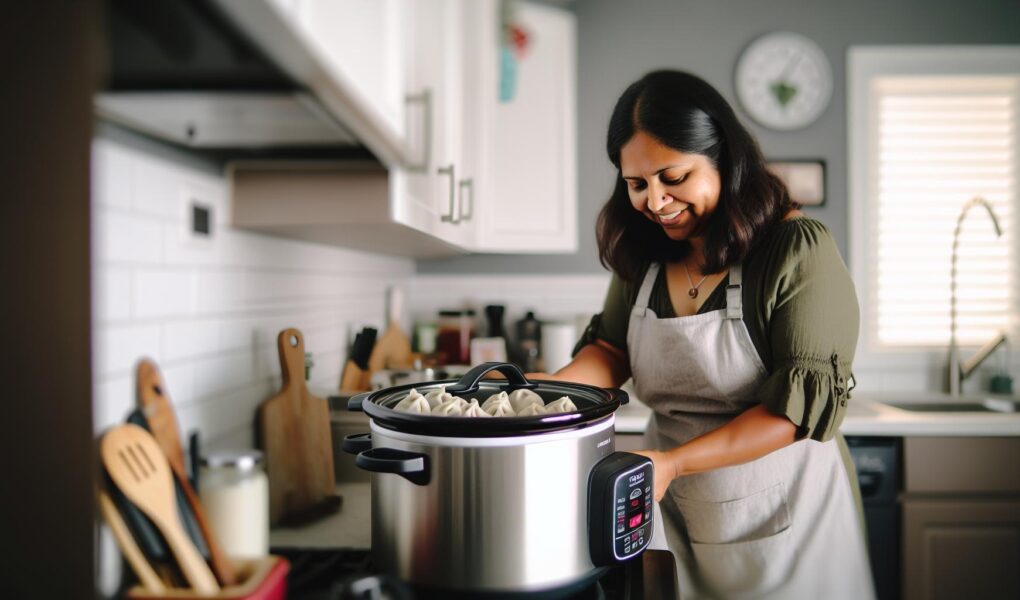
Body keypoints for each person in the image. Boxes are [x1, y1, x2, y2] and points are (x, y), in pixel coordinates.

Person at [544, 71, 875, 598]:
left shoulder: (796, 251)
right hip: (675, 513)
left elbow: (794, 414)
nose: (654, 201)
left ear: (723, 157)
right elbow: (610, 349)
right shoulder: (644, 254)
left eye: (672, 177)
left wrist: (674, 463)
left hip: (787, 521)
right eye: (637, 184)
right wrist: (547, 393)